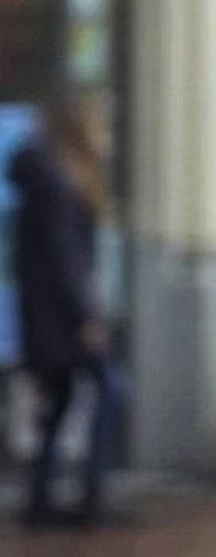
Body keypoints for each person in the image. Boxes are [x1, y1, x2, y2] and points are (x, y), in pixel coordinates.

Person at [7, 92, 129, 529]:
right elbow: (66, 260)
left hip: (47, 316)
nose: (108, 137)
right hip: (62, 320)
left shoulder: (50, 180)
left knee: (60, 402)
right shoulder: (59, 185)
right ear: (84, 129)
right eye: (102, 126)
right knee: (111, 389)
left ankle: (41, 499)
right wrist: (86, 320)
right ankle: (92, 496)